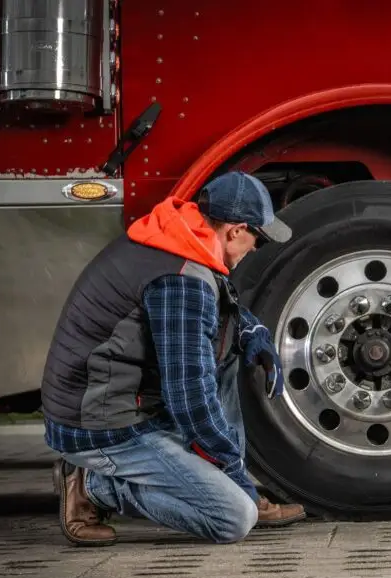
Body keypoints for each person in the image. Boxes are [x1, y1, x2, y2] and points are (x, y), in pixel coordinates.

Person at [40, 170, 306, 547]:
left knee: (230, 351)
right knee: (233, 517)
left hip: (105, 402)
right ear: (234, 230)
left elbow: (215, 315)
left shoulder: (178, 238)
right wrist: (232, 468)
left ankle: (230, 484)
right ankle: (94, 485)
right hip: (104, 428)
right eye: (257, 240)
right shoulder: (181, 279)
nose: (254, 249)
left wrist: (251, 332)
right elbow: (190, 398)